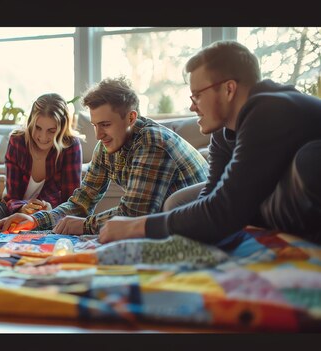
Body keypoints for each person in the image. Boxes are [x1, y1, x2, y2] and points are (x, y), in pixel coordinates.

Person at [99, 40, 321, 245]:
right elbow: (212, 195)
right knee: (179, 204)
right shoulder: (223, 132)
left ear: (229, 89)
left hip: (304, 192)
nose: (192, 106)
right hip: (270, 200)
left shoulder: (269, 110)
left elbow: (224, 209)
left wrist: (137, 226)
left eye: (197, 95)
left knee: (309, 162)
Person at [0, 76, 209, 235]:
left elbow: (134, 212)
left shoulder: (152, 143)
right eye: (95, 125)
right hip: (163, 223)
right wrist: (35, 220)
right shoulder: (106, 147)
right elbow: (82, 199)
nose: (98, 134)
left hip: (199, 225)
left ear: (131, 118)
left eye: (105, 124)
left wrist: (85, 225)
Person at [0, 93, 83, 217]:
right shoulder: (17, 141)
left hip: (51, 215)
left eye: (51, 131)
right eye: (38, 128)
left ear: (62, 129)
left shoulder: (70, 146)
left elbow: (71, 200)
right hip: (15, 212)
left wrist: (51, 209)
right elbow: (11, 197)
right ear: (31, 123)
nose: (43, 137)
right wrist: (22, 208)